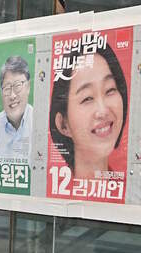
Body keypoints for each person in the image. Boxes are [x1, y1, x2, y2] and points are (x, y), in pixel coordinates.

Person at [49, 45, 128, 179]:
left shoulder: (129, 193)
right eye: (87, 98)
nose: (103, 111)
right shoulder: (56, 191)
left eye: (110, 90)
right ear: (63, 124)